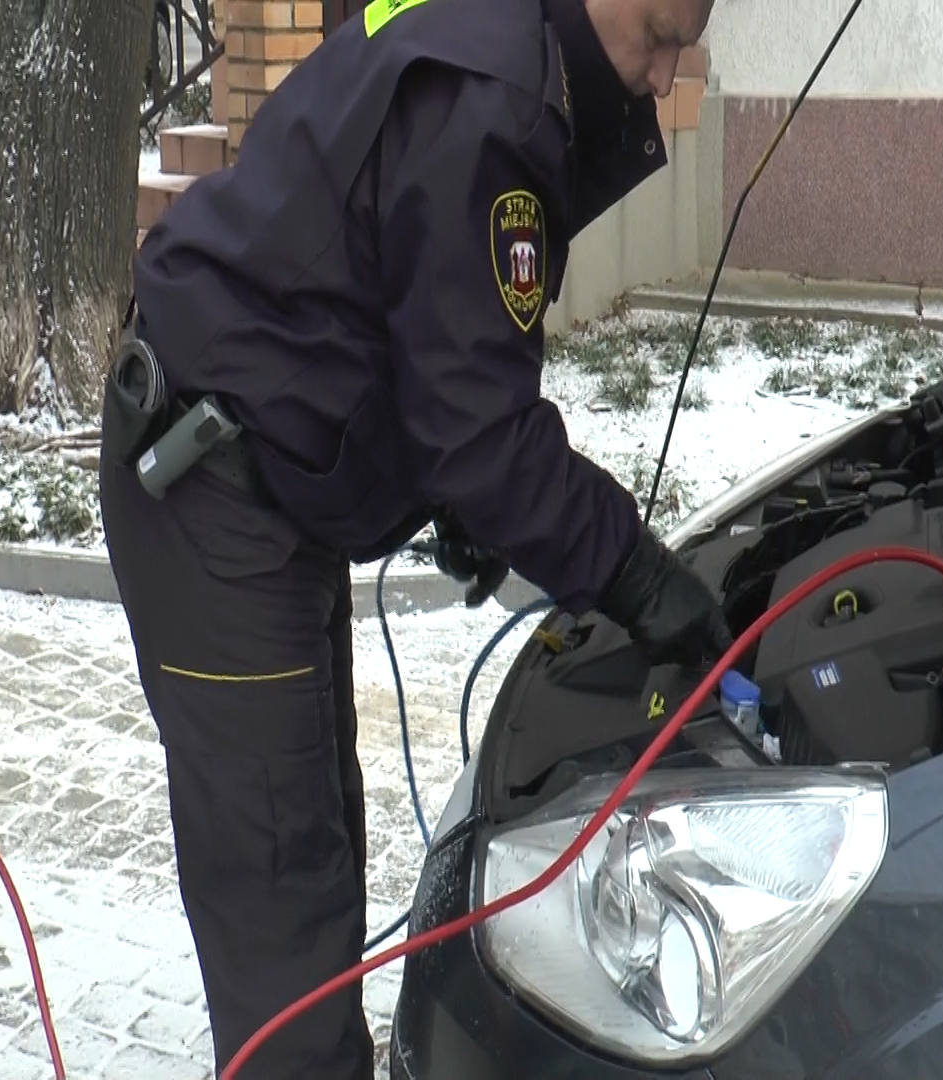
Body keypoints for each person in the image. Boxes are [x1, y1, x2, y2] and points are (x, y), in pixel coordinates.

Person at [97, 0, 726, 1074]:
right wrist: (635, 572)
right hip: (212, 484)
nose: (666, 82)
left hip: (269, 463)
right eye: (660, 44)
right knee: (282, 893)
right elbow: (483, 432)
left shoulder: (495, 36)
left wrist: (448, 490)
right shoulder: (498, 103)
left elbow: (394, 296)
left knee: (317, 831)